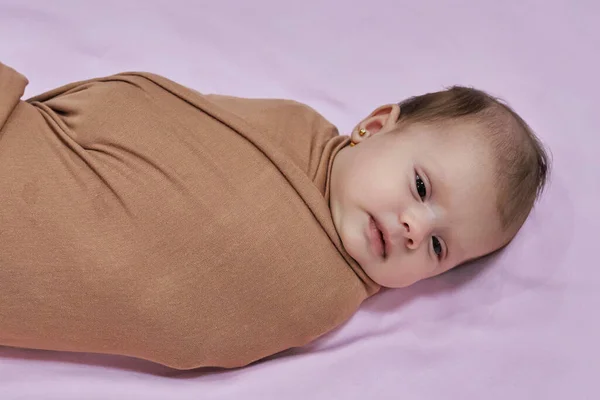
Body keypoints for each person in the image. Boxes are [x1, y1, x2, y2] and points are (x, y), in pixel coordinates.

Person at [0, 61, 549, 369]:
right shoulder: (290, 126)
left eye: (438, 248)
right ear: (375, 127)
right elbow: (158, 117)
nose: (415, 227)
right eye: (421, 186)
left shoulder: (321, 298)